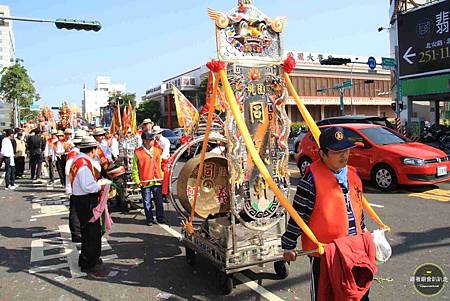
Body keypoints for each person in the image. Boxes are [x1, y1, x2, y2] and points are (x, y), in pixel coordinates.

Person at [281, 126, 369, 301]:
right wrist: (288, 245)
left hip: (354, 248)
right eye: (338, 152)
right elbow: (299, 215)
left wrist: (364, 230)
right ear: (323, 154)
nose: (344, 156)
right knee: (326, 296)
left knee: (358, 294)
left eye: (346, 150)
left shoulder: (352, 174)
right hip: (325, 252)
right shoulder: (311, 180)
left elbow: (356, 206)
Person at [69, 136, 105, 278]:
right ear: (92, 149)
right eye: (96, 149)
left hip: (81, 199)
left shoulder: (78, 160)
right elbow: (88, 186)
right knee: (91, 232)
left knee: (89, 231)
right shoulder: (84, 163)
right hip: (86, 200)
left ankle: (90, 258)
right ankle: (88, 262)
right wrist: (100, 185)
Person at [132, 131, 165, 225]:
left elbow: (161, 165)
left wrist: (163, 175)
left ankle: (160, 217)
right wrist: (137, 180)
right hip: (145, 181)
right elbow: (135, 168)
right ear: (144, 141)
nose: (152, 141)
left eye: (152, 139)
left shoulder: (157, 150)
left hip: (157, 180)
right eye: (150, 140)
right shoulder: (138, 152)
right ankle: (149, 219)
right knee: (147, 202)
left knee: (159, 202)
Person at [65, 131, 85, 243]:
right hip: (74, 187)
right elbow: (68, 170)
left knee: (78, 211)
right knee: (75, 211)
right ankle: (76, 233)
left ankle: (78, 231)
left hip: (78, 186)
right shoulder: (73, 154)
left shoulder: (78, 154)